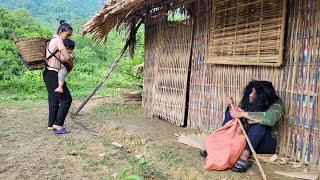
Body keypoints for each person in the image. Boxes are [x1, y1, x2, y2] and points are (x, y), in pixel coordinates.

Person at [201, 80, 284, 172]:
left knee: (259, 125)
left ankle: (244, 156)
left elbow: (270, 119)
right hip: (246, 138)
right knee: (230, 113)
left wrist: (243, 114)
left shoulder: (277, 103)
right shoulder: (247, 99)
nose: (250, 95)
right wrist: (232, 107)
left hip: (264, 143)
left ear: (264, 97)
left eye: (255, 93)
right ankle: (220, 145)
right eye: (251, 91)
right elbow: (237, 114)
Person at [43, 20, 74, 134]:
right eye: (67, 35)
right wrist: (71, 64)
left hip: (47, 73)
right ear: (61, 31)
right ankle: (58, 125)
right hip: (53, 73)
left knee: (54, 99)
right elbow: (67, 57)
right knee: (66, 99)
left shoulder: (51, 40)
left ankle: (51, 125)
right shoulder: (58, 40)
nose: (68, 38)